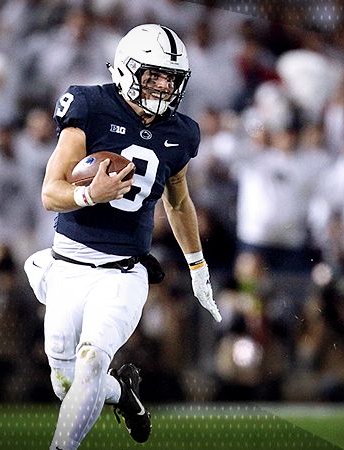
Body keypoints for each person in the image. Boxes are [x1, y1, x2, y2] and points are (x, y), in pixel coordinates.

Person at [24, 24, 221, 450]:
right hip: (68, 264)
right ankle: (123, 395)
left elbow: (180, 202)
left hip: (123, 272)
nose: (163, 86)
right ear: (128, 69)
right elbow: (49, 193)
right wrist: (90, 193)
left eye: (170, 78)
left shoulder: (180, 132)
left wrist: (198, 267)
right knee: (66, 383)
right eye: (153, 75)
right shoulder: (89, 106)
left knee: (92, 363)